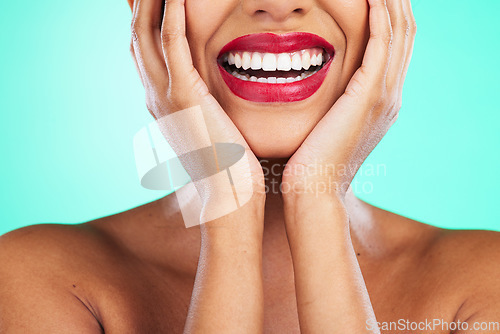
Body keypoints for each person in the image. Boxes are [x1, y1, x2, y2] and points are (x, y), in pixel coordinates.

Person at [1, 0, 499, 333]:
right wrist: (228, 204)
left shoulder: (484, 281)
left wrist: (318, 203)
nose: (279, 5)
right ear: (147, 9)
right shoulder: (33, 279)